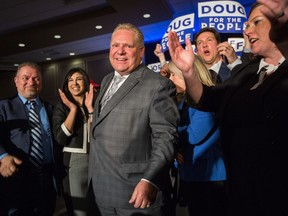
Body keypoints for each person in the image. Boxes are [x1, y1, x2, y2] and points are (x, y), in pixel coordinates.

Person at [168, 2, 288, 216]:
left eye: (257, 22)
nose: (247, 30)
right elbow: (207, 99)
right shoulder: (247, 71)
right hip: (241, 191)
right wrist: (188, 72)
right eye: (247, 24)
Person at [88, 23, 179, 216]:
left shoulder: (158, 85)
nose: (120, 51)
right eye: (115, 45)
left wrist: (150, 180)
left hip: (137, 195)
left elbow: (166, 138)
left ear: (140, 50)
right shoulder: (105, 81)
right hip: (103, 191)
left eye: (127, 46)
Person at [163, 59, 227, 216]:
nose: (170, 80)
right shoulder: (184, 101)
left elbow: (193, 136)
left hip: (210, 180)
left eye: (174, 75)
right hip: (194, 176)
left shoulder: (207, 100)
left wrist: (172, 139)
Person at [0, 62, 62, 216]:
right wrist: (3, 156)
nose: (31, 82)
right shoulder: (4, 107)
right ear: (16, 81)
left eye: (36, 78)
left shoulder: (50, 109)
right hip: (17, 179)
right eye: (25, 78)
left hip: (47, 180)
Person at [53, 67, 95, 216]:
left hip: (97, 161)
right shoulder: (61, 108)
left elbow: (99, 134)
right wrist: (72, 110)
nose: (74, 83)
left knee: (96, 207)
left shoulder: (94, 104)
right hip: (73, 163)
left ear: (86, 82)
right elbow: (60, 138)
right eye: (70, 80)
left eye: (78, 79)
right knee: (79, 210)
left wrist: (90, 109)